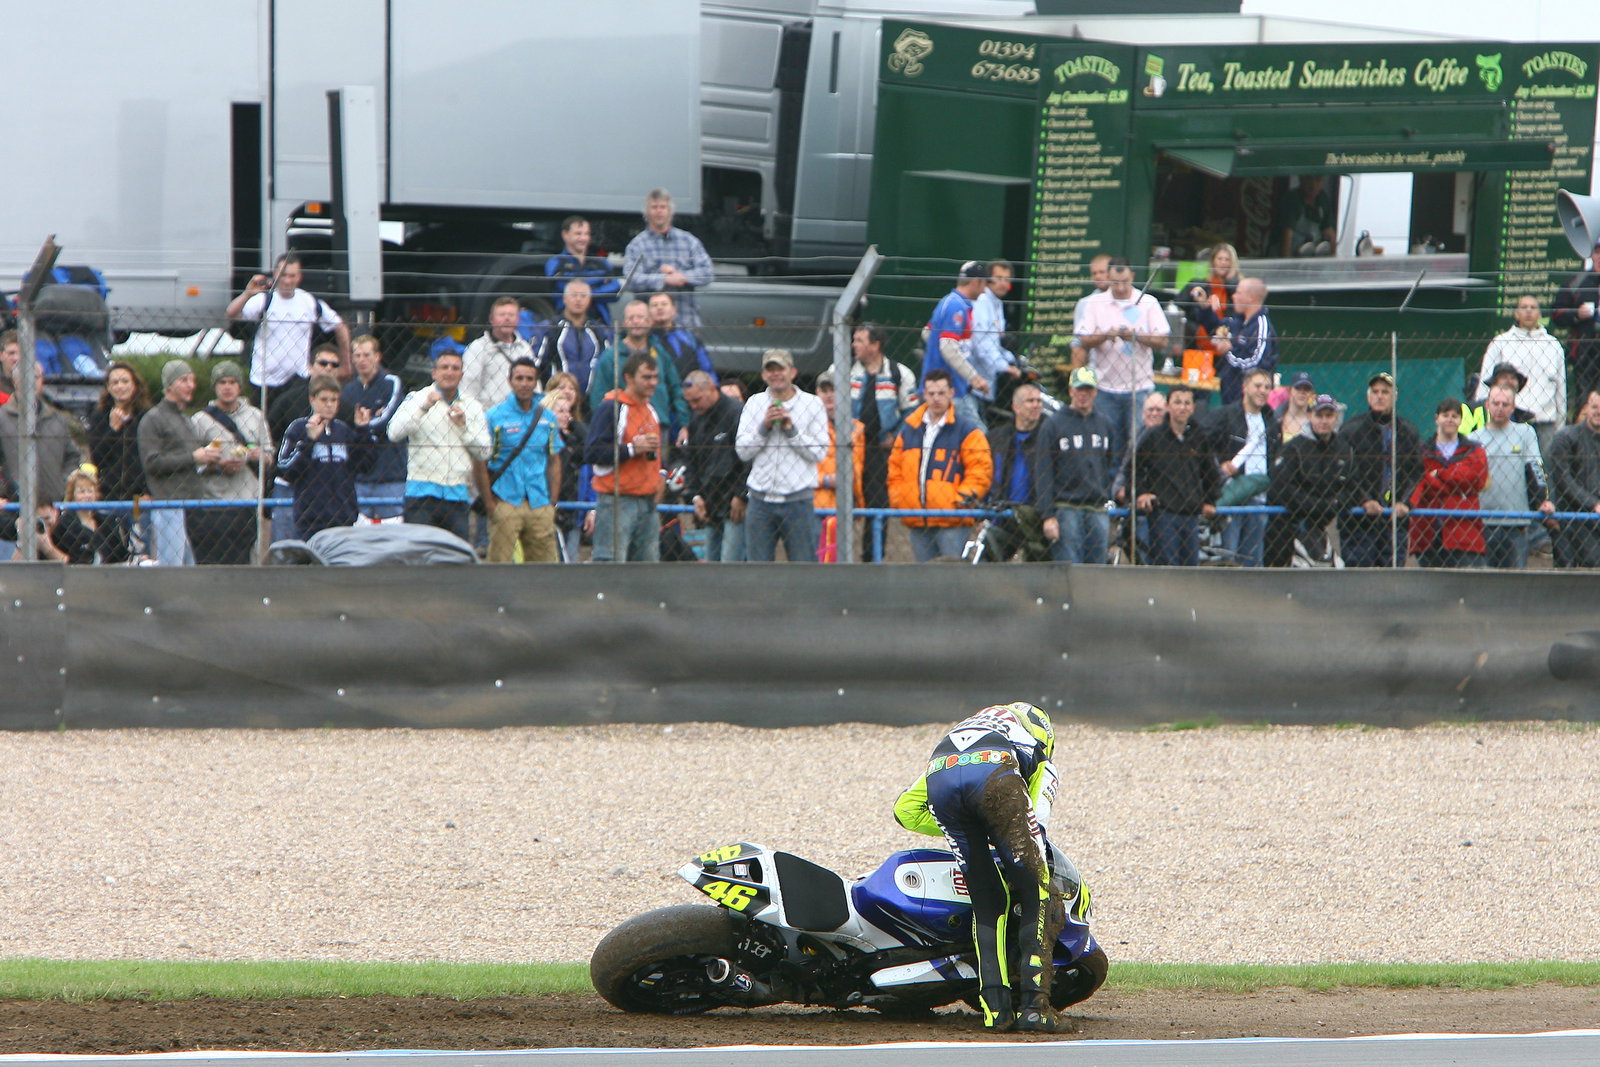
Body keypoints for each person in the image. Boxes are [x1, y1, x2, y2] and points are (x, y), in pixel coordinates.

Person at [893, 702, 1070, 1034]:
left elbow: (905, 811)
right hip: (996, 776)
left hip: (942, 775)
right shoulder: (1037, 752)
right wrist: (1001, 830)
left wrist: (973, 829)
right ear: (1044, 736)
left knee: (987, 904)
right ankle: (1036, 1009)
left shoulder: (967, 732)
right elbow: (1037, 824)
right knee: (1038, 892)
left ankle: (995, 1013)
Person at [824, 324, 919, 561]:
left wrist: (896, 437)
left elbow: (912, 413)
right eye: (854, 339)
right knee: (843, 500)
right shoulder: (840, 370)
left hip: (880, 451)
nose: (853, 345)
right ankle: (836, 555)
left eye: (859, 340)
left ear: (875, 345)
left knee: (878, 504)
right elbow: (824, 399)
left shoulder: (900, 374)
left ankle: (872, 558)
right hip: (848, 449)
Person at [1072, 257, 1169, 468]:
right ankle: (1110, 485)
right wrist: (1105, 335)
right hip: (1105, 387)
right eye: (1115, 282)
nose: (1120, 287)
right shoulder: (1094, 303)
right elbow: (1083, 339)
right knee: (1109, 446)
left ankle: (1134, 483)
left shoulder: (1148, 302)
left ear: (1132, 277)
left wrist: (1137, 336)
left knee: (1139, 445)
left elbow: (1163, 341)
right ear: (1108, 278)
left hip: (1139, 386)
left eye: (1124, 282)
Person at [888, 369, 993, 562]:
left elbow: (980, 470)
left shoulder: (967, 431)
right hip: (917, 518)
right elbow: (895, 469)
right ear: (923, 394)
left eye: (941, 393)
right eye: (931, 393)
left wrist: (960, 500)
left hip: (952, 520)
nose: (936, 398)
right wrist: (900, 499)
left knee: (953, 575)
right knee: (925, 576)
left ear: (951, 393)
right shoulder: (909, 430)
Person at [387, 350, 492, 540]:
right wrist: (424, 407)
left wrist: (464, 428)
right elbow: (394, 433)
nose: (450, 372)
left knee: (456, 555)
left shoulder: (473, 406)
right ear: (434, 373)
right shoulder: (417, 398)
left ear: (461, 374)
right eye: (444, 367)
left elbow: (484, 452)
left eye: (455, 368)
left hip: (458, 494)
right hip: (421, 493)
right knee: (419, 553)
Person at [736, 349, 828, 563]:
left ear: (793, 372)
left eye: (781, 369)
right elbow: (743, 451)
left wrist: (791, 430)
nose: (776, 374)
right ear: (763, 375)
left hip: (798, 501)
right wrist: (764, 427)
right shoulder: (754, 403)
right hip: (760, 501)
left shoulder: (812, 404)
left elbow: (819, 452)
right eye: (770, 369)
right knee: (758, 571)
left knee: (803, 568)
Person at [226, 252, 350, 399]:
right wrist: (247, 294)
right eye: (283, 275)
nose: (287, 281)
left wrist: (346, 364)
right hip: (264, 381)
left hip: (298, 380)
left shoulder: (309, 302)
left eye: (292, 276)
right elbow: (231, 313)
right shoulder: (264, 300)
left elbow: (340, 326)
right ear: (275, 274)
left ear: (299, 277)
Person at [137, 360, 223, 566]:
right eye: (183, 380)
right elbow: (152, 463)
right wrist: (194, 458)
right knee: (171, 569)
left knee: (188, 569)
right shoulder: (153, 419)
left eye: (192, 380)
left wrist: (208, 460)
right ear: (169, 385)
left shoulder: (185, 419)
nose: (190, 385)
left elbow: (190, 461)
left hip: (191, 506)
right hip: (168, 505)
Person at [1122, 384, 1218, 566]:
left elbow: (1210, 472)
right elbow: (1133, 468)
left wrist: (1210, 500)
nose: (1182, 407)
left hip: (1191, 515)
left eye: (1187, 403)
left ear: (1193, 407)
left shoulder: (1199, 437)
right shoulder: (1153, 436)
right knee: (1167, 567)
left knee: (1190, 568)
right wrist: (1141, 493)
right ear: (1168, 406)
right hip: (1163, 514)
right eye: (1177, 402)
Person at [584, 351, 665, 562]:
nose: (653, 383)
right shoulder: (611, 408)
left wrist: (661, 475)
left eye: (655, 377)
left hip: (648, 502)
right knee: (611, 564)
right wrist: (631, 449)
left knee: (647, 567)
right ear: (628, 378)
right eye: (646, 377)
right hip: (617, 502)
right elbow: (592, 452)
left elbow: (656, 453)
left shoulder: (650, 409)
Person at [276, 375, 379, 539]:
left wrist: (363, 431)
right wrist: (309, 441)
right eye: (324, 400)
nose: (329, 405)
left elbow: (365, 466)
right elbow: (286, 470)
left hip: (344, 517)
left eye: (334, 400)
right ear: (312, 399)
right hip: (310, 520)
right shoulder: (298, 428)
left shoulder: (343, 431)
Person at [267, 344, 351, 543]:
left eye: (334, 364)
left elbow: (358, 459)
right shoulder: (288, 401)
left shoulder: (345, 412)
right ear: (310, 367)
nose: (328, 368)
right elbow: (273, 440)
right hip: (294, 491)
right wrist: (307, 441)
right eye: (323, 363)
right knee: (289, 547)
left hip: (334, 497)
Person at [1337, 372, 1422, 568]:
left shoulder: (1408, 431)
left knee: (1392, 576)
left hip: (1394, 521)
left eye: (1385, 392)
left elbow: (1416, 473)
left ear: (1394, 397)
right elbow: (1344, 473)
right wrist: (1363, 500)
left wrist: (1405, 502)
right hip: (1358, 521)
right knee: (1360, 576)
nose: (1380, 396)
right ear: (1368, 396)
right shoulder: (1351, 430)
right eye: (1375, 391)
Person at [189, 360, 271, 564]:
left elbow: (269, 455)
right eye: (222, 382)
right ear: (215, 386)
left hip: (248, 500)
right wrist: (215, 465)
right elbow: (190, 460)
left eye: (232, 382)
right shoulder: (200, 420)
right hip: (213, 502)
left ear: (240, 386)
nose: (227, 387)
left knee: (247, 559)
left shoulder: (256, 416)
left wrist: (258, 455)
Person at [484, 358, 564, 563]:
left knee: (545, 567)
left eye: (529, 379)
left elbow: (554, 460)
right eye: (519, 378)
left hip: (539, 501)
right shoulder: (494, 416)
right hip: (505, 499)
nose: (524, 383)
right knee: (498, 564)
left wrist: (552, 502)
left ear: (536, 382)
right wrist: (490, 503)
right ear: (510, 381)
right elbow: (480, 462)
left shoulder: (548, 418)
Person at [1266, 393, 1359, 567]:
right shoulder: (1293, 448)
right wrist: (1317, 505)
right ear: (1310, 416)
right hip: (1288, 525)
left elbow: (1352, 487)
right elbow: (1282, 489)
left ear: (1336, 417)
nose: (1324, 421)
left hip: (1323, 525)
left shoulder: (1344, 449)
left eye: (1329, 416)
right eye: (1319, 415)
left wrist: (1335, 504)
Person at [1036, 368, 1115, 565]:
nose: (1083, 395)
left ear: (1095, 392)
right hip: (1066, 508)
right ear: (1071, 391)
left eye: (1088, 390)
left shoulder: (1105, 424)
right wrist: (1048, 516)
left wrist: (1107, 494)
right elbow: (1043, 473)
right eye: (1079, 389)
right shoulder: (1053, 425)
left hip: (1097, 508)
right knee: (1069, 569)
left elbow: (1110, 464)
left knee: (1098, 569)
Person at [588, 299, 689, 449]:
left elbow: (676, 388)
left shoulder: (660, 354)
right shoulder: (611, 357)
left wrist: (683, 424)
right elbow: (598, 396)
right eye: (631, 318)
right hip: (623, 427)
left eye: (641, 317)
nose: (636, 321)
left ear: (650, 322)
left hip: (658, 424)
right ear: (624, 323)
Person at [1474, 295, 1566, 457]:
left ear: (1539, 314)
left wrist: (1560, 424)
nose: (1528, 311)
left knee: (1544, 468)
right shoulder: (1501, 342)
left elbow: (1561, 388)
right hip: (1511, 420)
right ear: (1516, 314)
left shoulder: (1553, 345)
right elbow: (1485, 383)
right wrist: (1483, 417)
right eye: (1524, 307)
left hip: (1546, 421)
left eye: (1533, 307)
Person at [1476, 384, 1555, 569]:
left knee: (1516, 578)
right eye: (1495, 403)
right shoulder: (1474, 439)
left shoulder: (1525, 433)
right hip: (1482, 521)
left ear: (1513, 407)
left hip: (1517, 522)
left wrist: (1542, 499)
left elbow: (1536, 468)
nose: (1500, 408)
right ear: (1487, 405)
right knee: (1484, 579)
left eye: (1505, 404)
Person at [1205, 368, 1278, 567]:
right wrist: (1221, 465)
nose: (1262, 391)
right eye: (1258, 385)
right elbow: (1204, 445)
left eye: (1267, 387)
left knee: (1254, 558)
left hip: (1260, 498)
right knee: (1229, 555)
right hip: (1233, 494)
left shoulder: (1271, 421)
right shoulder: (1225, 415)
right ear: (1244, 387)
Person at [1407, 399, 1488, 568]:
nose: (1450, 419)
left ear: (1460, 420)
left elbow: (1477, 481)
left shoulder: (1474, 450)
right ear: (1437, 418)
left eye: (1454, 416)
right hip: (1427, 534)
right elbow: (1418, 482)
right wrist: (1456, 483)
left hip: (1464, 533)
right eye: (1445, 415)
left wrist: (1439, 474)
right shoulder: (1422, 451)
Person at [680, 370, 747, 563]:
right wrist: (695, 496)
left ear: (711, 389)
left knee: (730, 563)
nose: (694, 406)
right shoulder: (696, 419)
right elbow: (690, 461)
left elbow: (748, 459)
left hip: (734, 501)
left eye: (697, 400)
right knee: (711, 562)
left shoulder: (736, 413)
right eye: (690, 402)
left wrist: (741, 495)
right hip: (710, 502)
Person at [86, 360, 152, 553]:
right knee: (111, 549)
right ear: (108, 388)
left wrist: (149, 490)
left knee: (141, 548)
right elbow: (96, 457)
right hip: (109, 494)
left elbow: (152, 457)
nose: (120, 386)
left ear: (135, 385)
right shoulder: (99, 416)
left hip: (139, 496)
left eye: (125, 381)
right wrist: (113, 430)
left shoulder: (146, 417)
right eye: (115, 382)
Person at [623, 189, 714, 329]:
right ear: (647, 212)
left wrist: (682, 277)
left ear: (670, 211)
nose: (659, 211)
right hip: (650, 328)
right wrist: (663, 279)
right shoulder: (637, 245)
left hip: (686, 323)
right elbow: (630, 280)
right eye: (654, 207)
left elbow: (708, 272)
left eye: (663, 207)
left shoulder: (689, 241)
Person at [978, 380, 1048, 562]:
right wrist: (981, 511)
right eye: (1030, 401)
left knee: (1038, 569)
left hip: (1035, 518)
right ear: (1016, 407)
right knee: (986, 562)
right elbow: (985, 475)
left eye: (1039, 401)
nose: (1036, 405)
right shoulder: (996, 438)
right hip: (1003, 515)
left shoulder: (1049, 437)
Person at [341, 334, 408, 520]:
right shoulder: (348, 390)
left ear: (377, 357)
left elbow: (388, 422)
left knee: (391, 530)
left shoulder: (391, 383)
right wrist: (368, 423)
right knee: (358, 530)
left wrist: (361, 425)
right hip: (359, 478)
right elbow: (345, 427)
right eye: (357, 355)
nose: (362, 360)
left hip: (390, 476)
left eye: (367, 355)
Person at [0, 361, 82, 506]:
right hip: (13, 505)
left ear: (42, 380)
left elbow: (72, 457)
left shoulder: (58, 419)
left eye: (36, 377)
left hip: (53, 504)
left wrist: (62, 483)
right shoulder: (2, 418)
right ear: (15, 381)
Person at [922, 261, 992, 427]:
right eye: (984, 284)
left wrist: (935, 357)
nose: (984, 290)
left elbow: (927, 333)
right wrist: (974, 377)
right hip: (951, 390)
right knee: (979, 436)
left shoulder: (950, 302)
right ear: (976, 282)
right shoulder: (956, 306)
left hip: (950, 387)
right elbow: (948, 347)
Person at [1193, 277, 1278, 407]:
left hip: (1249, 403)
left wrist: (1229, 351)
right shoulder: (1238, 322)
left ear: (1251, 298)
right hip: (1229, 398)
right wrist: (1205, 307)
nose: (1233, 296)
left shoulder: (1261, 326)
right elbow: (1216, 328)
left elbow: (1256, 363)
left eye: (1238, 293)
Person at [1545, 389, 1600, 568]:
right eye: (1594, 407)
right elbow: (1563, 480)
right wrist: (1593, 503)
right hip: (1571, 515)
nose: (1598, 412)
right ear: (1586, 408)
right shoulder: (1566, 437)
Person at [535, 279, 609, 401]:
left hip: (591, 401)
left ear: (590, 300)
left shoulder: (600, 331)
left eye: (583, 296)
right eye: (574, 295)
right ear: (564, 299)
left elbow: (606, 366)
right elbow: (538, 365)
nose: (578, 299)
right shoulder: (549, 328)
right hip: (556, 399)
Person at [814, 376, 865, 555]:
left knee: (844, 558)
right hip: (817, 507)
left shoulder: (857, 429)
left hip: (848, 506)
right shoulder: (809, 427)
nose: (829, 396)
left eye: (833, 390)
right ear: (817, 394)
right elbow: (797, 472)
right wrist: (826, 480)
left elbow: (859, 468)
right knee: (820, 560)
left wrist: (857, 499)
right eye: (824, 391)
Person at [542, 384, 592, 563]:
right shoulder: (541, 441)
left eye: (568, 411)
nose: (567, 416)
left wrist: (573, 424)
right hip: (548, 507)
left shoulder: (570, 441)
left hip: (571, 511)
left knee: (570, 560)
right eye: (561, 411)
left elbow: (590, 444)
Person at [461, 296, 536, 416]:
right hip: (489, 416)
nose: (507, 319)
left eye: (511, 315)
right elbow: (469, 387)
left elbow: (535, 385)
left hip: (520, 416)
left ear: (518, 319)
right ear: (492, 319)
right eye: (502, 315)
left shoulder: (525, 348)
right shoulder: (477, 348)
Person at [1550, 242, 1600, 419]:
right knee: (1584, 399)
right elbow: (1556, 313)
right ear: (1592, 255)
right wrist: (1577, 314)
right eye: (1598, 252)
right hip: (1584, 353)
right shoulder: (1576, 282)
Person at [40, 469, 128, 565]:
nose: (87, 496)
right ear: (72, 495)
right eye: (82, 492)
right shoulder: (63, 524)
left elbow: (119, 555)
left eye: (90, 491)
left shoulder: (107, 522)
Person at [545, 214, 620, 324]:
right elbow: (563, 287)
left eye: (586, 234)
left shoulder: (601, 262)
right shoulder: (556, 262)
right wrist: (598, 283)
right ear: (565, 235)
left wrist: (582, 290)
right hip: (566, 323)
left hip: (599, 323)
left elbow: (615, 290)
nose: (583, 238)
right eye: (578, 234)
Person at [969, 260, 1022, 414]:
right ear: (988, 279)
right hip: (973, 382)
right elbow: (982, 346)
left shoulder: (997, 303)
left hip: (987, 383)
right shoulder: (982, 301)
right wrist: (1005, 367)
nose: (1003, 283)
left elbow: (996, 342)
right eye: (998, 278)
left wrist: (1011, 359)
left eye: (1007, 279)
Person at [1182, 244, 1240, 349]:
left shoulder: (1239, 289)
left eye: (1227, 260)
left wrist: (1232, 281)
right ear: (1213, 262)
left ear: (1232, 263)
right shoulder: (1201, 286)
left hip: (1227, 345)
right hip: (1199, 345)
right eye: (1220, 259)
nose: (1223, 263)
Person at [648, 291, 712, 384]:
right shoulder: (645, 339)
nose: (659, 308)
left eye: (664, 304)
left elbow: (707, 369)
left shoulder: (689, 338)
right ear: (648, 312)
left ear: (674, 310)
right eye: (655, 305)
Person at [1068, 253, 1112, 367]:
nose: (1098, 277)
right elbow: (1078, 342)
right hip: (1097, 368)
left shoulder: (1134, 299)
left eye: (1102, 272)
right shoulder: (1085, 303)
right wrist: (1077, 374)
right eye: (1094, 273)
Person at [1276, 175, 1336, 258]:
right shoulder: (1292, 199)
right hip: (1290, 254)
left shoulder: (1322, 198)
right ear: (1301, 179)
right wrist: (1284, 263)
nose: (1313, 184)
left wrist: (1334, 261)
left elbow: (1329, 232)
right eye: (1308, 179)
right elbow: (1287, 234)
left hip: (1310, 257)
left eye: (1318, 179)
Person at [1274, 371, 1316, 441]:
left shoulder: (1315, 421)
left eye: (1307, 389)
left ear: (1311, 393)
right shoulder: (1275, 419)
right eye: (1298, 388)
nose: (1302, 392)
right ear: (1290, 390)